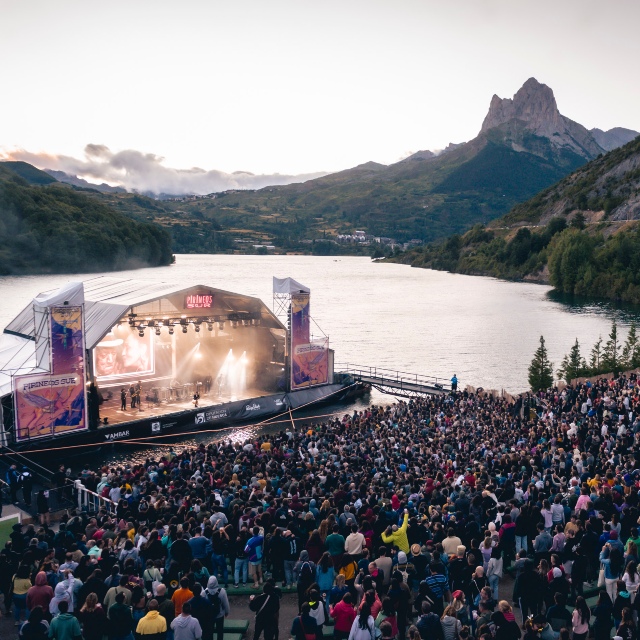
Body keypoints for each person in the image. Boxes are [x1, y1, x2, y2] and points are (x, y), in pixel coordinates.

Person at [205, 576, 230, 640]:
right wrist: (227, 612)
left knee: (210, 632)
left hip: (209, 615)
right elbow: (226, 603)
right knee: (220, 631)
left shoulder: (204, 592)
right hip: (220, 614)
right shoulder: (222, 591)